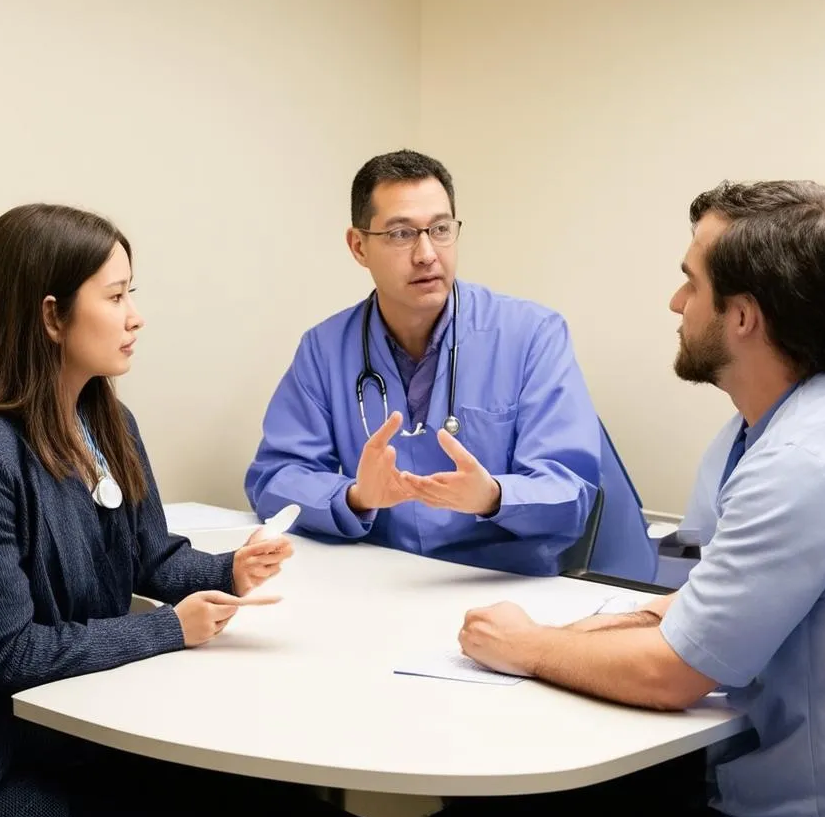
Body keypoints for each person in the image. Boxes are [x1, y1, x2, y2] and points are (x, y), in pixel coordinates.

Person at [0, 204, 412, 817]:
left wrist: (232, 567)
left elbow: (151, 558)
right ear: (49, 314)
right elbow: (6, 655)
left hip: (89, 737)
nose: (135, 318)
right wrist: (171, 628)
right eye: (116, 296)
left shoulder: (103, 421)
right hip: (12, 769)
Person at [414, 180, 825, 817]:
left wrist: (525, 645)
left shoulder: (803, 463)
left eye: (693, 281)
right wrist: (621, 621)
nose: (676, 301)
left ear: (744, 316)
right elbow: (724, 593)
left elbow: (672, 675)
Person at [245, 149, 655, 581]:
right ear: (358, 246)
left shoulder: (532, 335)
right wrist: (354, 497)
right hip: (382, 585)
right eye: (401, 234)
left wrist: (493, 496)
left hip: (507, 590)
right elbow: (275, 478)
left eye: (440, 229)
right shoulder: (324, 350)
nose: (426, 253)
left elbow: (571, 492)